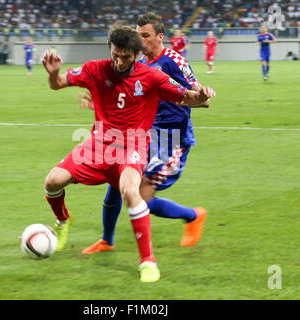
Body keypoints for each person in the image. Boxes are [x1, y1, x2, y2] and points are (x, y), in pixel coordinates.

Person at [41, 24, 215, 283]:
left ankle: (147, 262)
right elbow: (58, 84)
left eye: (126, 56)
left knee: (132, 193)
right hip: (99, 143)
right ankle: (63, 221)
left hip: (134, 145)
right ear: (110, 49)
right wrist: (53, 73)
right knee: (52, 181)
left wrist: (200, 95)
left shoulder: (151, 76)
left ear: (136, 54)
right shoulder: (95, 69)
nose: (119, 61)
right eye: (115, 54)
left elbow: (188, 97)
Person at [80, 12, 209, 257]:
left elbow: (200, 98)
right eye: (138, 35)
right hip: (143, 134)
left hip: (170, 140)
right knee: (117, 184)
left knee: (139, 198)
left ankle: (193, 216)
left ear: (159, 37)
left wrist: (190, 97)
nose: (140, 40)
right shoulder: (137, 63)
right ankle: (107, 240)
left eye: (145, 36)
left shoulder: (172, 60)